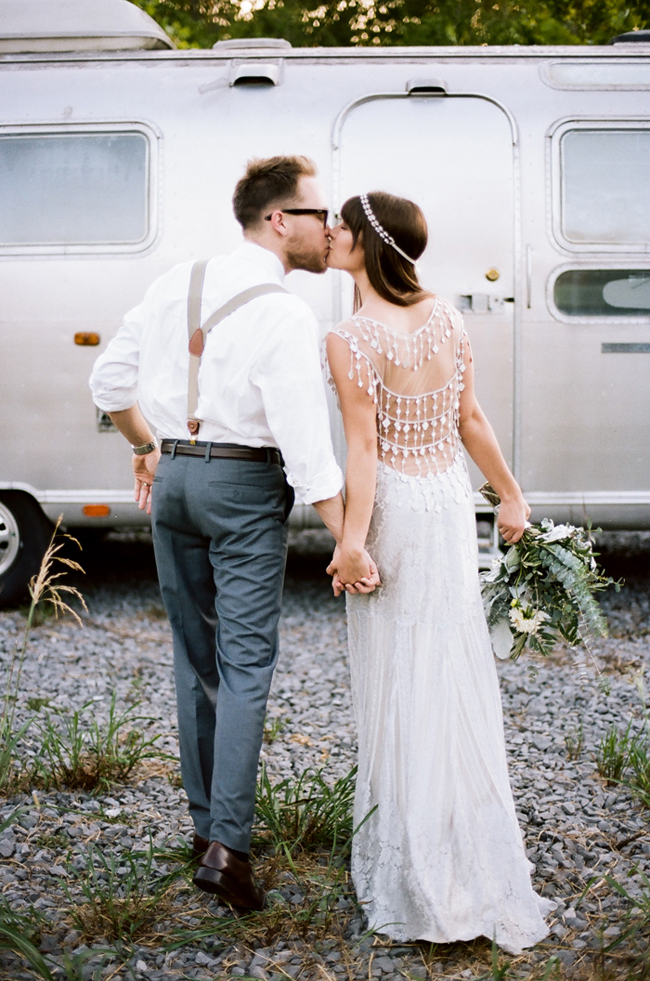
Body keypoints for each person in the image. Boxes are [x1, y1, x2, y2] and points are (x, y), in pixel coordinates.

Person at [89, 156, 378, 912]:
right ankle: (229, 848)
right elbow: (308, 451)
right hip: (244, 485)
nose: (330, 227)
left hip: (176, 479)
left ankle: (201, 830)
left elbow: (109, 384)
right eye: (319, 214)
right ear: (279, 220)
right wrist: (348, 541)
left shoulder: (173, 283)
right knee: (245, 663)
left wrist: (143, 446)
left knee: (196, 661)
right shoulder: (285, 312)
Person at [325, 191, 553, 953]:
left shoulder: (349, 336)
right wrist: (510, 494)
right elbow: (472, 420)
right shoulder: (449, 317)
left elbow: (362, 450)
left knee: (401, 677)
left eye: (340, 227)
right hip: (450, 506)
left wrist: (352, 542)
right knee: (448, 670)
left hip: (395, 511)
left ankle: (421, 865)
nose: (329, 235)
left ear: (366, 242)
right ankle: (464, 848)